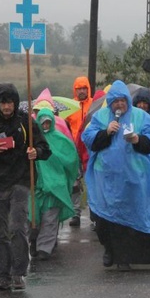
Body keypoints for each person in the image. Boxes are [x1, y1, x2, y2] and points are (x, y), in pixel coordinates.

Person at [0, 83, 51, 291]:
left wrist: (36, 153)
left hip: (20, 181)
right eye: (3, 102)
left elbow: (44, 148)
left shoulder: (27, 123)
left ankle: (18, 273)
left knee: (16, 227)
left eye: (10, 102)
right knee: (0, 230)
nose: (6, 107)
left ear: (15, 103)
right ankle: (3, 275)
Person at [82, 80, 150, 271]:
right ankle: (110, 251)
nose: (119, 105)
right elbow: (89, 140)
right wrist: (106, 133)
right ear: (110, 102)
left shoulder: (141, 117)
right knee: (105, 218)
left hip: (134, 179)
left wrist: (137, 139)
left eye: (122, 101)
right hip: (106, 180)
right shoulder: (100, 117)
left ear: (127, 101)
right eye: (115, 101)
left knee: (129, 218)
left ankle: (125, 257)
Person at [29, 107, 80, 260]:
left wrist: (59, 169)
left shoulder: (60, 139)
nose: (45, 126)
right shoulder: (33, 141)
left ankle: (45, 248)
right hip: (37, 186)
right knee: (34, 217)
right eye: (42, 123)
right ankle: (34, 242)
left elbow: (71, 159)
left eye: (47, 123)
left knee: (50, 219)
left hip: (55, 186)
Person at [66, 76, 93, 228]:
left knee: (91, 181)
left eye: (84, 88)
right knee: (75, 183)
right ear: (74, 90)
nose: (82, 91)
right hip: (73, 149)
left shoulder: (95, 104)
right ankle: (75, 213)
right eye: (79, 88)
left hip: (89, 149)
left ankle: (94, 214)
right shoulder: (70, 106)